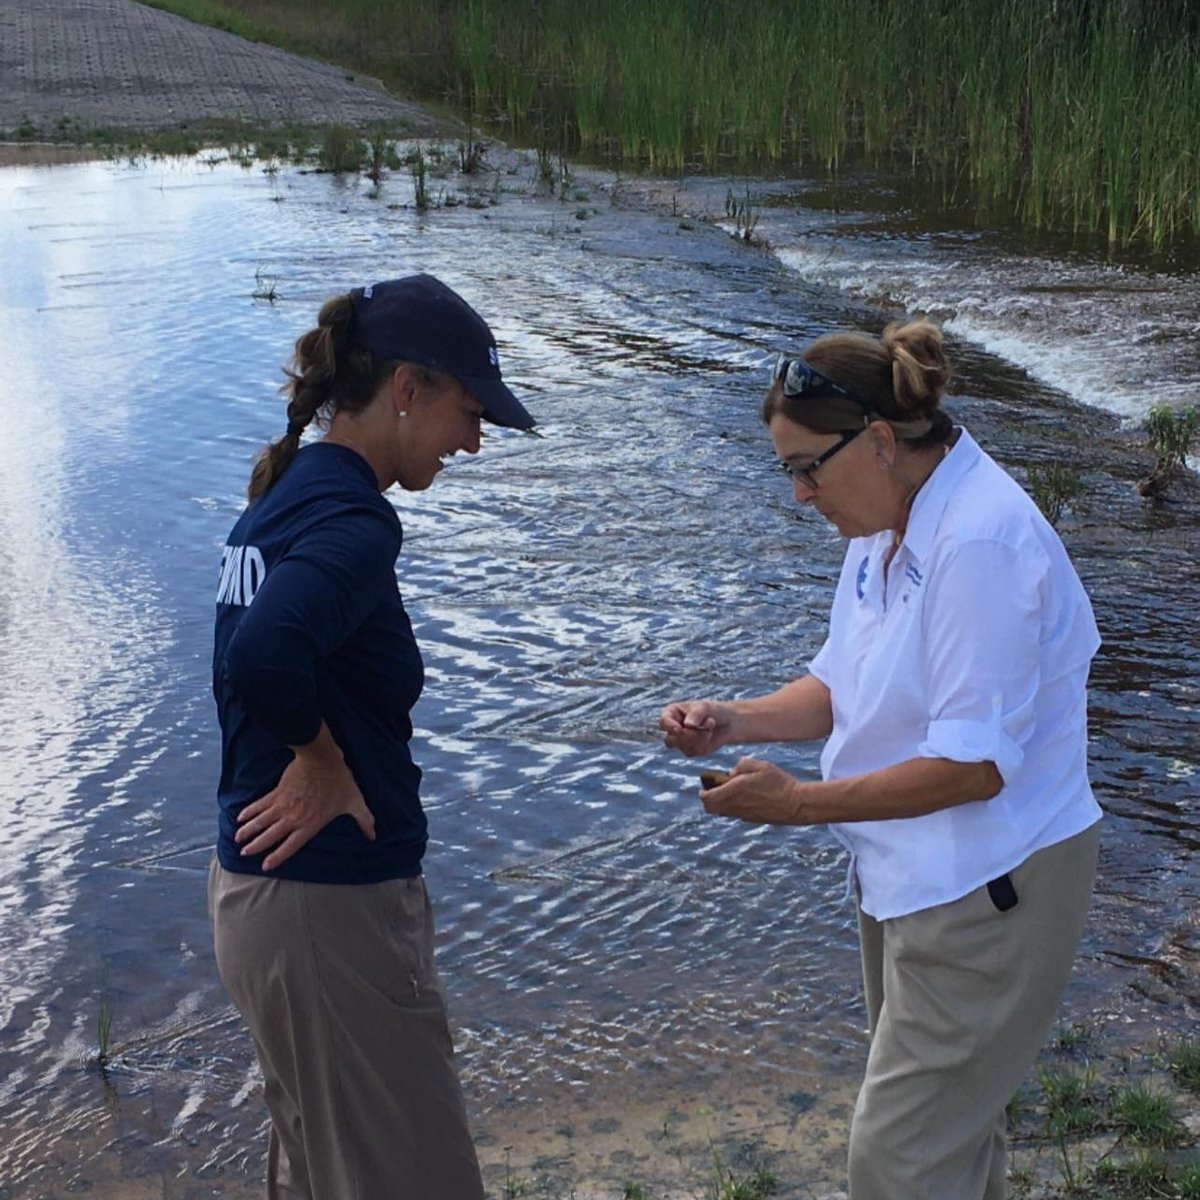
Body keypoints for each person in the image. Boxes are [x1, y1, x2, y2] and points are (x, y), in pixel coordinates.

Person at [659, 321, 1101, 1200]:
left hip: (992, 890)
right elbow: (842, 681)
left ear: (882, 441)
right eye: (789, 469)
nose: (798, 494)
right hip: (910, 878)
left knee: (898, 1164)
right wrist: (735, 721)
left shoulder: (979, 544)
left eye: (807, 468)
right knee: (950, 1148)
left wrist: (802, 803)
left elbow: (975, 768)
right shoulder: (884, 518)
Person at [209, 273, 535, 1200]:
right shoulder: (354, 519)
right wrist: (322, 759)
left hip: (269, 901)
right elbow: (264, 657)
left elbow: (260, 657)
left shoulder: (287, 495)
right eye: (470, 411)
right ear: (407, 388)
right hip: (327, 911)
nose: (474, 439)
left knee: (325, 1174)